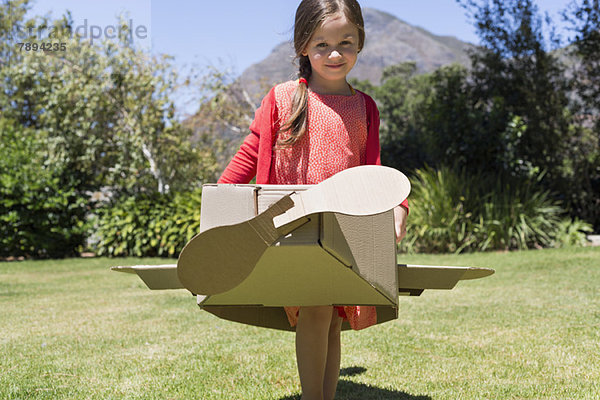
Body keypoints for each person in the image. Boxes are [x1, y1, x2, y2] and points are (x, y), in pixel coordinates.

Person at [218, 0, 408, 398]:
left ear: (360, 41)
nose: (335, 53)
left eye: (346, 42)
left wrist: (397, 207)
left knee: (333, 315)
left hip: (346, 227)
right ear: (303, 45)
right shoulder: (284, 98)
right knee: (317, 308)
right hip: (294, 224)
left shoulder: (364, 107)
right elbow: (252, 152)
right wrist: (221, 203)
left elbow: (375, 169)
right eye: (321, 44)